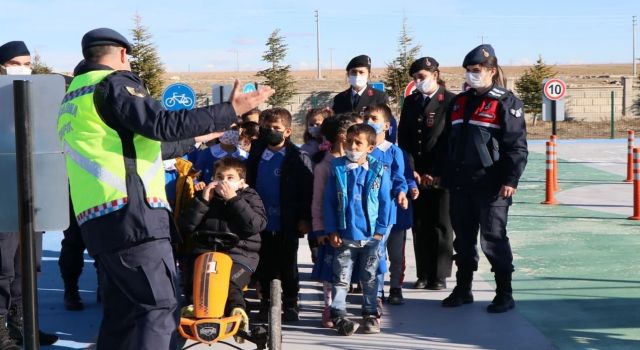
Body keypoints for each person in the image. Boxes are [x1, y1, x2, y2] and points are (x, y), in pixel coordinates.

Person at [57, 28, 273, 350]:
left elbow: (146, 148)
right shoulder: (114, 83)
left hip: (99, 220)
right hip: (134, 216)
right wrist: (231, 110)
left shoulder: (75, 95)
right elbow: (162, 124)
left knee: (123, 313)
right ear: (121, 55)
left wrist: (206, 135)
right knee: (159, 309)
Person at [434, 44, 528, 313]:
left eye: (477, 70)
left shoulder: (505, 102)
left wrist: (511, 180)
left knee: (493, 239)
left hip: (492, 185)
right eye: (468, 71)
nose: (471, 75)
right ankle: (463, 289)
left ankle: (504, 293)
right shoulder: (459, 103)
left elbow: (516, 147)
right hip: (461, 184)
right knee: (462, 240)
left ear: (491, 71)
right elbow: (447, 144)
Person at [0, 40, 59, 349]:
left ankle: (23, 324)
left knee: (29, 264)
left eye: (27, 62)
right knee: (3, 267)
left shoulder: (39, 98)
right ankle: (1, 331)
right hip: (2, 196)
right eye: (15, 62)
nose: (23, 68)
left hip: (32, 194)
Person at [180, 157, 266, 329]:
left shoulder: (250, 197)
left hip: (240, 255)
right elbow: (186, 225)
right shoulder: (205, 195)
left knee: (228, 281)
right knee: (196, 276)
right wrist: (203, 201)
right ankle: (192, 305)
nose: (223, 182)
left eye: (230, 178)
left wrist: (234, 200)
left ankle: (237, 310)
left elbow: (255, 225)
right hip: (206, 252)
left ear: (241, 182)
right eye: (219, 177)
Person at [323, 123, 392, 336]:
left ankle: (370, 314)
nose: (352, 146)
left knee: (370, 276)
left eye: (358, 143)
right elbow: (328, 202)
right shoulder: (337, 167)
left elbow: (385, 202)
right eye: (349, 142)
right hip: (345, 236)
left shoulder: (379, 170)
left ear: (370, 148)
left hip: (371, 237)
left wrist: (380, 230)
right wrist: (332, 229)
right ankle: (339, 312)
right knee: (341, 276)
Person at [246, 108, 313, 322]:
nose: (271, 131)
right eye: (267, 128)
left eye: (277, 128)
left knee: (288, 264)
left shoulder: (297, 157)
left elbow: (307, 191)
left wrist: (305, 218)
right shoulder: (256, 155)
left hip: (288, 220)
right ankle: (265, 301)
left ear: (288, 131)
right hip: (261, 221)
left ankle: (291, 301)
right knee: (264, 263)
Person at [397, 56, 455, 290]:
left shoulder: (450, 101)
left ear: (435, 75)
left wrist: (437, 172)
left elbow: (450, 140)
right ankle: (423, 273)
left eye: (422, 77)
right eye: (415, 78)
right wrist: (413, 171)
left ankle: (439, 275)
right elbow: (406, 140)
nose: (419, 81)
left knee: (441, 224)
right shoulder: (411, 102)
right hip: (418, 175)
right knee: (420, 224)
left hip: (441, 174)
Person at [310, 114, 357, 328]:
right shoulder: (324, 167)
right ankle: (329, 307)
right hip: (331, 229)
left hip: (354, 228)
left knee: (350, 269)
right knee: (331, 271)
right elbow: (318, 201)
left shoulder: (355, 163)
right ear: (341, 137)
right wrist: (320, 229)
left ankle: (354, 306)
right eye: (354, 132)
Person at [364, 104, 411, 311]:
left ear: (386, 125)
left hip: (392, 212)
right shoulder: (364, 150)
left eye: (374, 118)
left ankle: (395, 287)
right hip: (369, 214)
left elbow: (400, 178)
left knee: (395, 254)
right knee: (376, 253)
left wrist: (402, 192)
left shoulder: (394, 152)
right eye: (366, 117)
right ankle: (377, 292)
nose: (369, 121)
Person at [331, 55, 398, 143]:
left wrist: (388, 146)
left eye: (361, 72)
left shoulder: (379, 96)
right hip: (347, 146)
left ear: (369, 75)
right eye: (353, 72)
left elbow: (389, 124)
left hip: (372, 145)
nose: (357, 75)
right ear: (348, 74)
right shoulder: (340, 98)